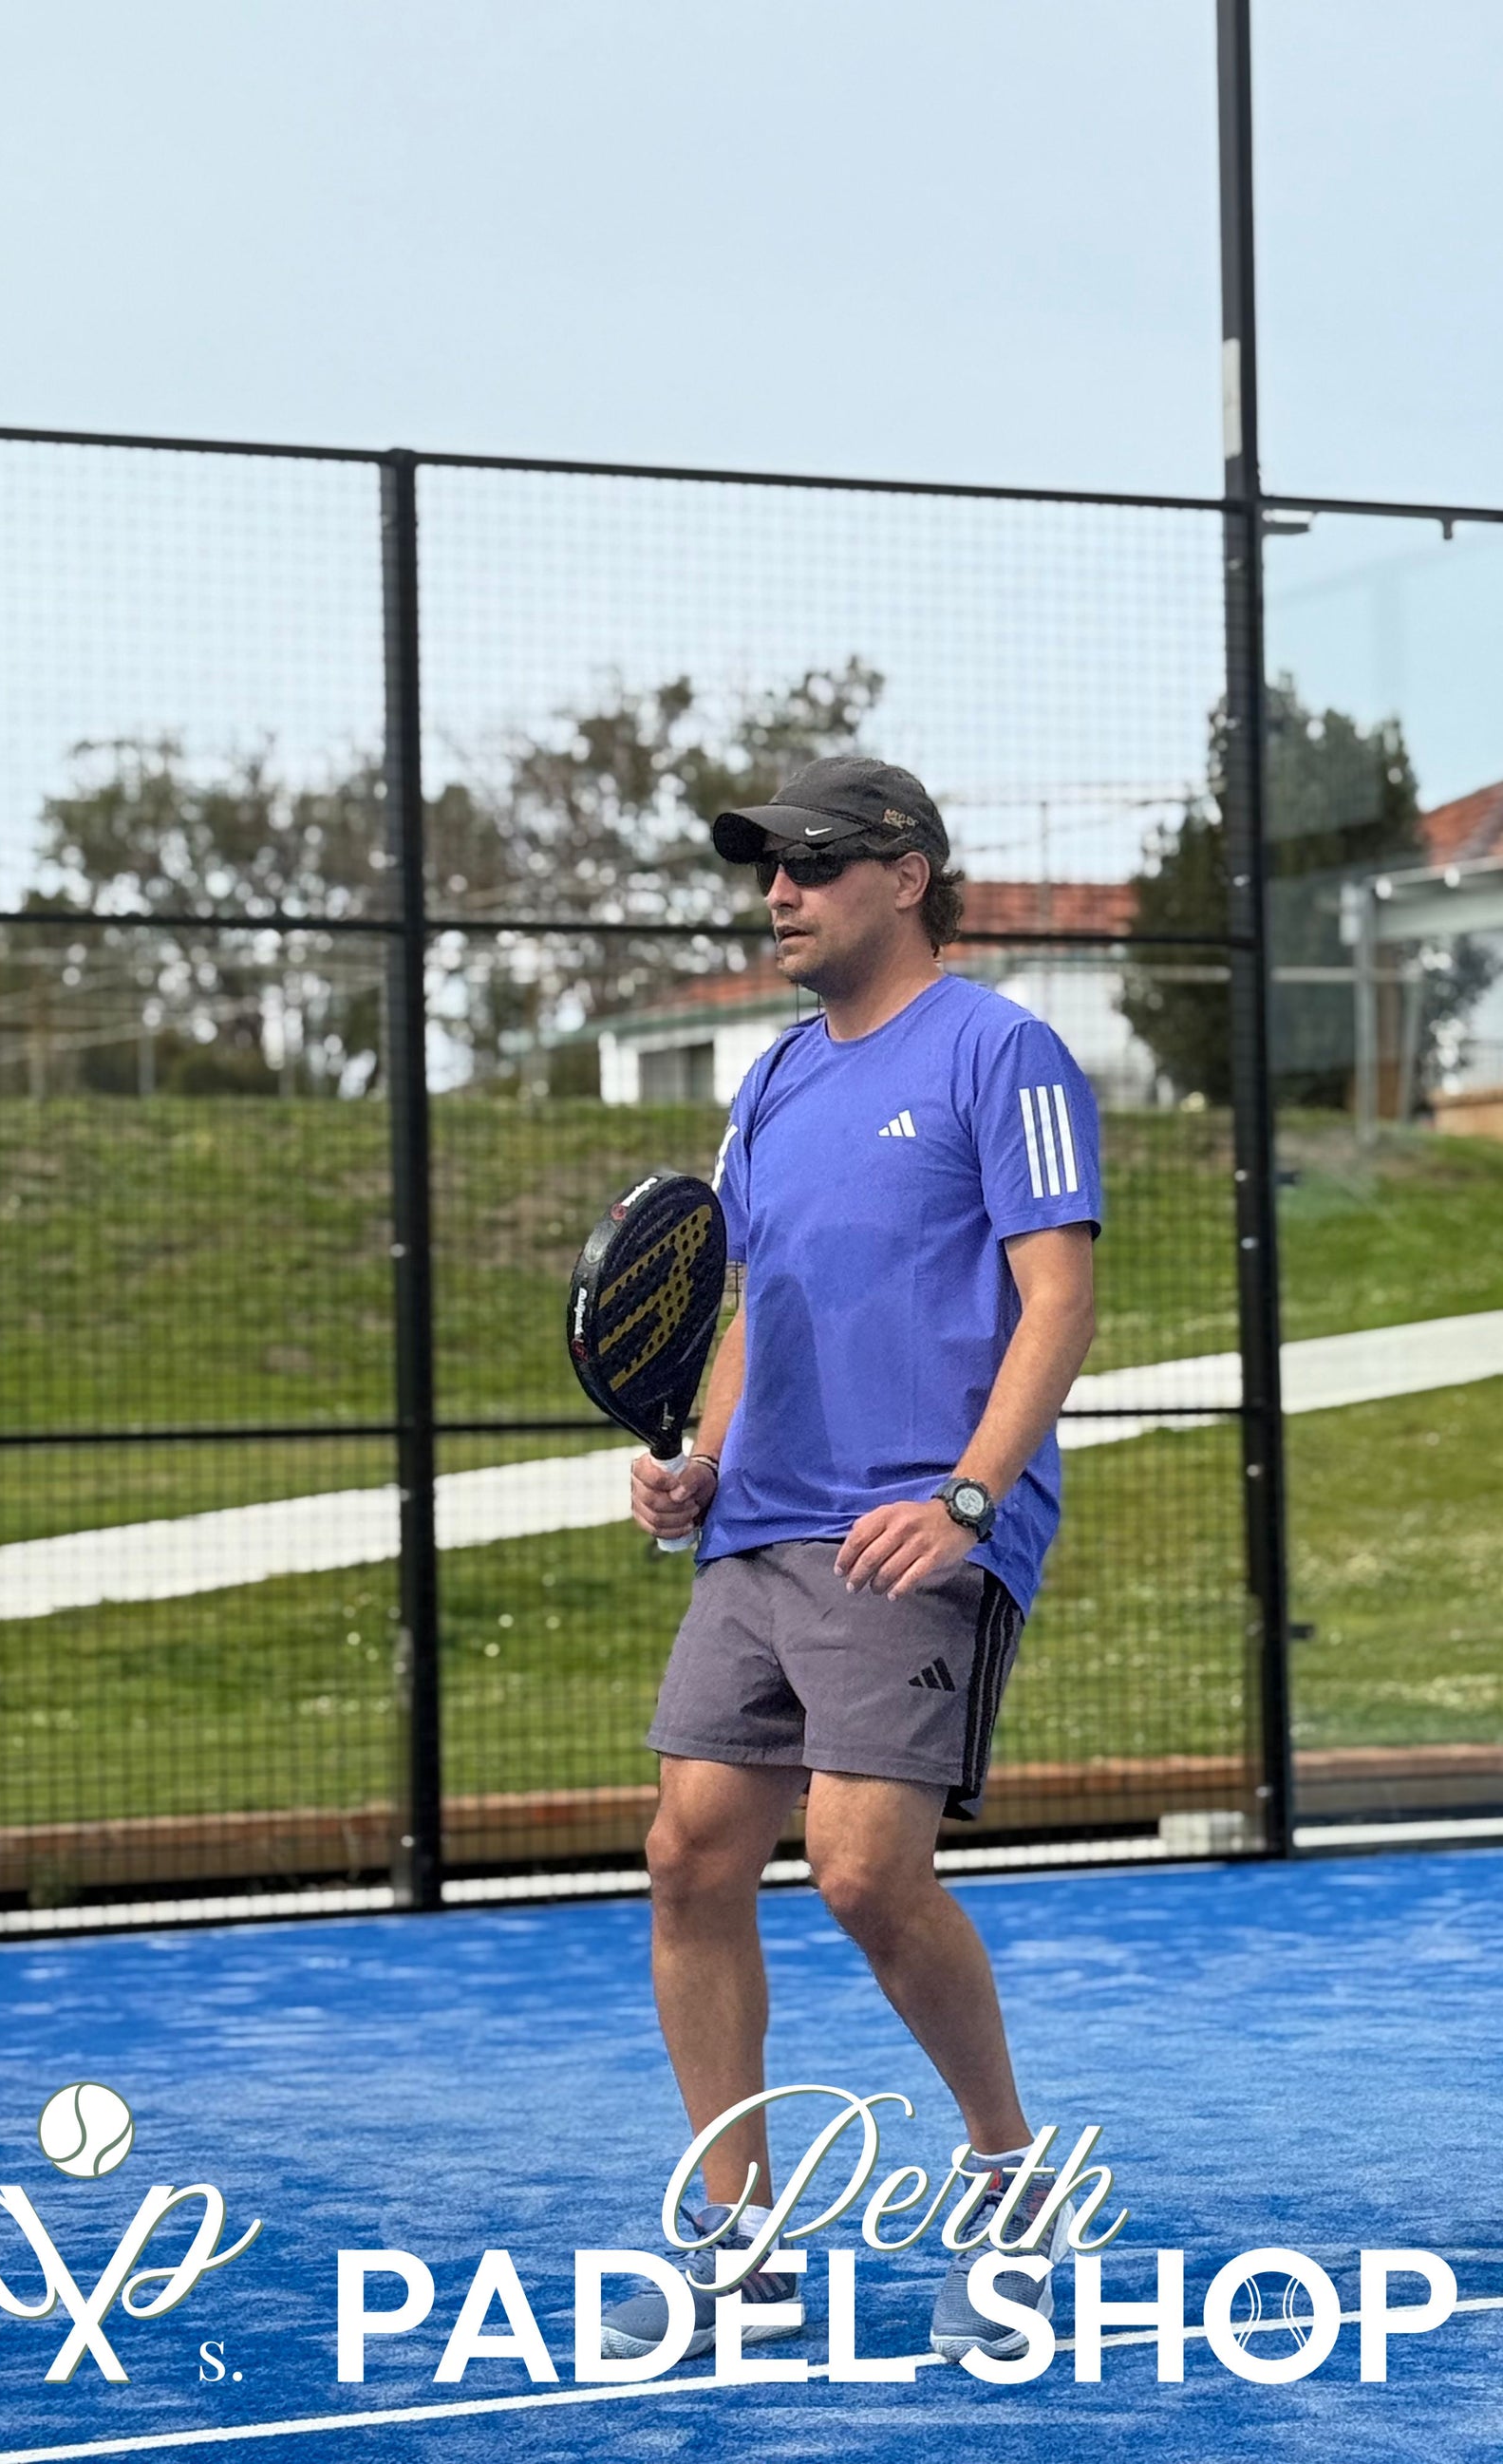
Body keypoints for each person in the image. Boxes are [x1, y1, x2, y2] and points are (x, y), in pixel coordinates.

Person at [599, 754, 1101, 2368]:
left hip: (915, 1529)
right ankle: (738, 2244)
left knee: (864, 1871)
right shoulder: (768, 1081)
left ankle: (1011, 2182)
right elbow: (755, 1303)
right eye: (766, 869)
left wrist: (966, 1498)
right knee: (689, 1856)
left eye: (809, 864)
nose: (778, 895)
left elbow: (1058, 1300)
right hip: (760, 1522)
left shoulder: (1002, 1051)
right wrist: (704, 1464)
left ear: (904, 874)